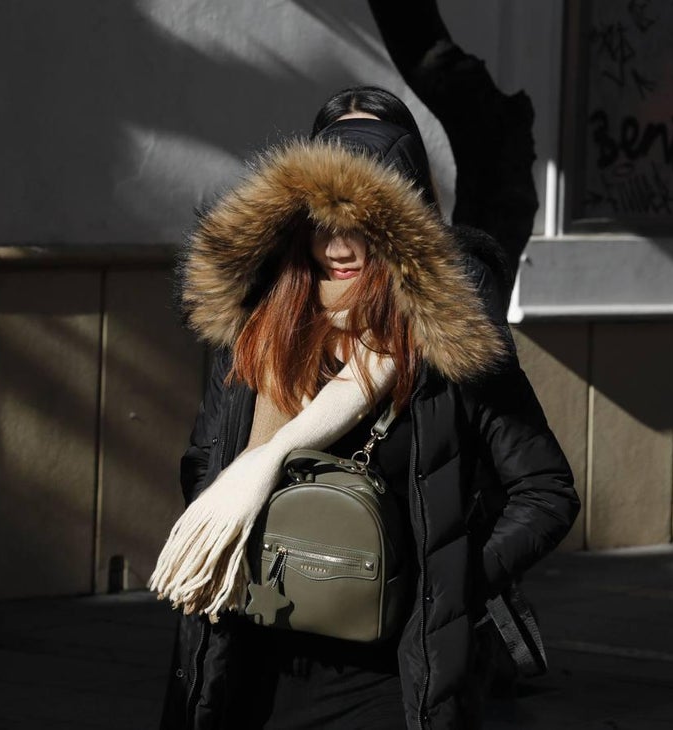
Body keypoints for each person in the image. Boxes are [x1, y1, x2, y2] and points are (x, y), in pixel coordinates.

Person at [154, 86, 579, 730]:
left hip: (390, 683)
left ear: (401, 226)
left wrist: (443, 588)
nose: (338, 249)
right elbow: (204, 464)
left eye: (362, 225)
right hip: (253, 663)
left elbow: (545, 491)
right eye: (321, 226)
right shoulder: (260, 328)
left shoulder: (445, 346)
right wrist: (243, 496)